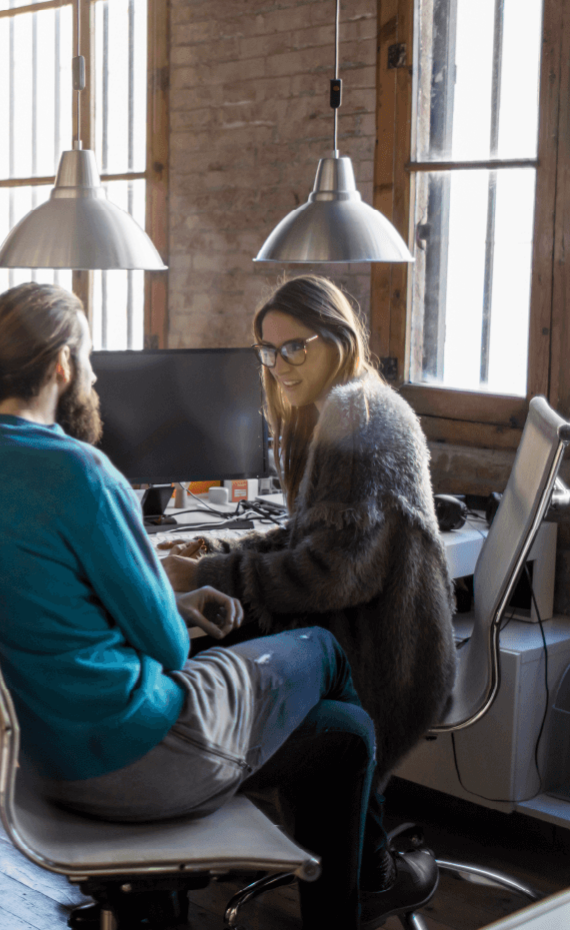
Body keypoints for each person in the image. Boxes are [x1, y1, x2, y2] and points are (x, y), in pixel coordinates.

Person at [0, 284, 436, 929]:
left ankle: (157, 900)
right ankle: (360, 885)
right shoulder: (83, 471)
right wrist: (176, 595)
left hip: (34, 754)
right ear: (62, 366)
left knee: (339, 727)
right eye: (88, 360)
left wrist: (188, 581)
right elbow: (168, 645)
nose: (94, 375)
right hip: (126, 755)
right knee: (331, 676)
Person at [159, 275, 456, 783]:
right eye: (268, 351)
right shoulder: (351, 403)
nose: (278, 366)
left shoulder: (356, 416)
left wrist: (201, 573)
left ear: (339, 340)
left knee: (181, 662)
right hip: (383, 644)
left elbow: (331, 575)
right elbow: (311, 539)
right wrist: (215, 547)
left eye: (295, 347)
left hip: (386, 664)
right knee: (202, 648)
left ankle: (193, 818)